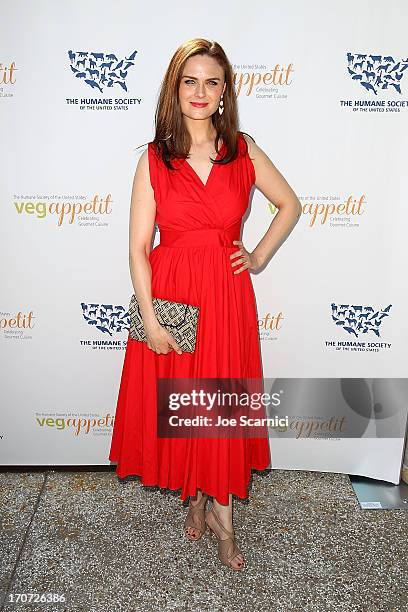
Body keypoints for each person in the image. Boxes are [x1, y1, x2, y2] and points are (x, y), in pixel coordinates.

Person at [109, 38, 302, 571]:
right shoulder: (154, 157)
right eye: (189, 81)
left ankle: (222, 516)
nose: (200, 91)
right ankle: (195, 495)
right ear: (176, 89)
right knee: (183, 401)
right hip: (172, 294)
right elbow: (136, 247)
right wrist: (148, 317)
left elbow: (289, 203)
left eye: (211, 81)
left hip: (224, 294)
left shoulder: (242, 149)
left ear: (224, 92)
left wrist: (257, 255)